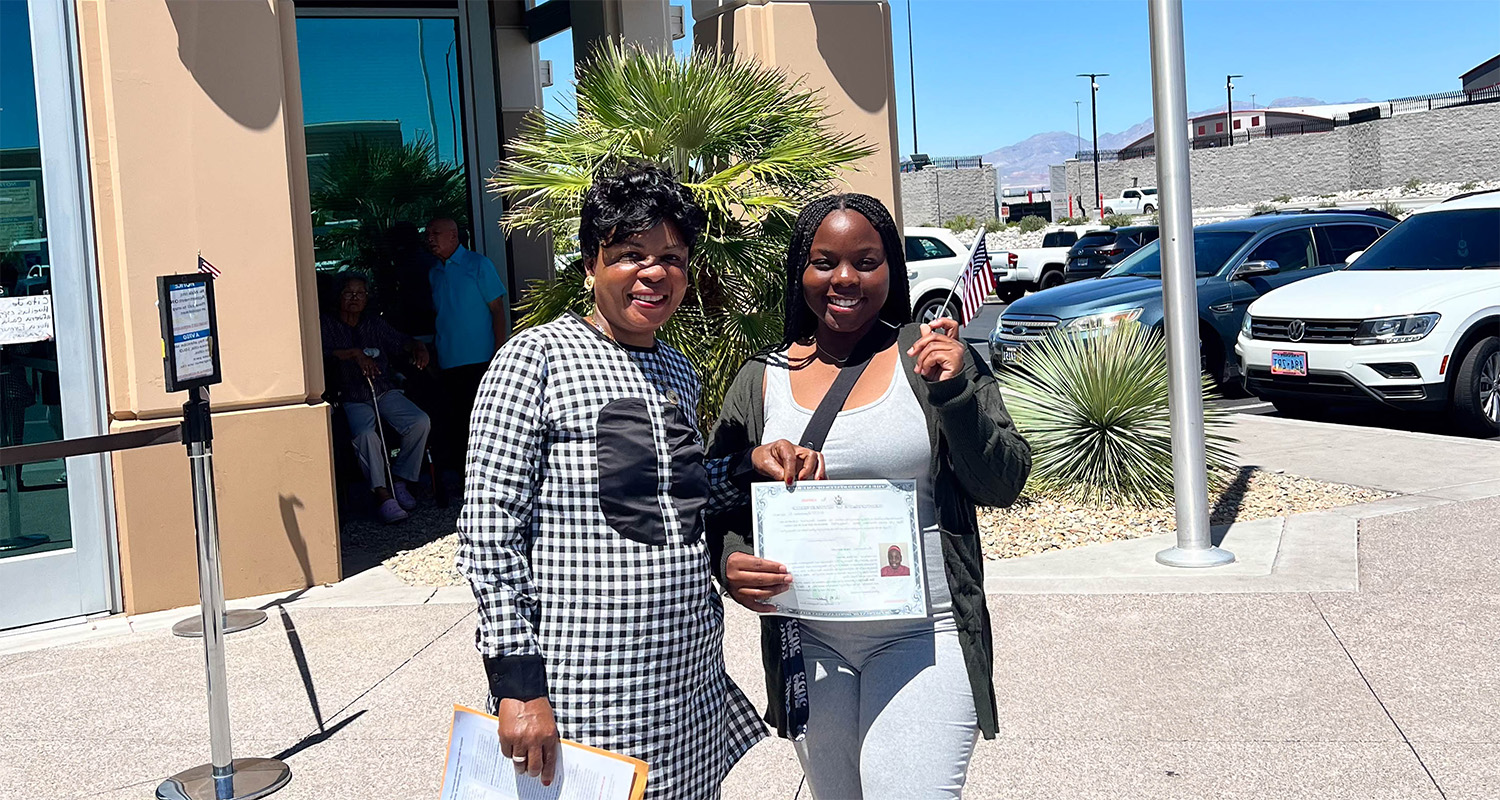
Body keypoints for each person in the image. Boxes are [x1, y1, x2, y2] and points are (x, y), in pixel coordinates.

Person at [457, 164, 821, 799]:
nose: (654, 273)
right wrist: (518, 686)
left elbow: (672, 490)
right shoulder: (535, 358)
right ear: (591, 262)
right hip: (582, 690)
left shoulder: (678, 372)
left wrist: (748, 462)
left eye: (671, 258)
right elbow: (489, 535)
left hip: (682, 680)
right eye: (630, 254)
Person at [706, 194, 1032, 799]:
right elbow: (720, 493)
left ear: (894, 270)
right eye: (825, 261)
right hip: (810, 639)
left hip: (925, 631)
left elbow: (1004, 481)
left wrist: (956, 390)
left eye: (867, 260)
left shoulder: (930, 357)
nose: (846, 278)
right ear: (799, 270)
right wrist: (731, 562)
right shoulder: (762, 378)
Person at [320, 273, 433, 524]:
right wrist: (353, 354)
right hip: (351, 395)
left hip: (382, 389)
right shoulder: (325, 324)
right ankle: (382, 495)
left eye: (360, 294)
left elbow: (401, 342)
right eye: (348, 293)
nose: (354, 298)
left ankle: (400, 479)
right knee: (365, 435)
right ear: (338, 297)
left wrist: (418, 346)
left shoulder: (374, 324)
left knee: (419, 421)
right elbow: (321, 353)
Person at [426, 217, 507, 485]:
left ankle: (490, 477)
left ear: (453, 236)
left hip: (481, 359)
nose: (430, 238)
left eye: (435, 233)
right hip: (448, 361)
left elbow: (497, 310)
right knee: (456, 423)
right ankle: (466, 479)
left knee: (482, 420)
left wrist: (499, 352)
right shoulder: (434, 272)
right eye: (428, 234)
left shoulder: (478, 264)